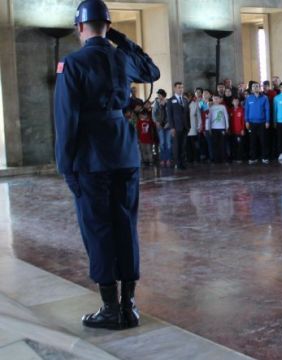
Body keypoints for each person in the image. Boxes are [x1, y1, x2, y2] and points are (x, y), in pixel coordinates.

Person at [54, 0, 159, 330]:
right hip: (125, 153)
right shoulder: (120, 56)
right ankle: (129, 306)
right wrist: (121, 37)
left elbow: (66, 119)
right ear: (106, 25)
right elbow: (152, 72)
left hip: (91, 157)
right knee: (125, 226)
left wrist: (65, 165)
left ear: (80, 27)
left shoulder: (72, 63)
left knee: (98, 229)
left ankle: (110, 308)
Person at [166, 82, 190, 169]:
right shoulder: (170, 100)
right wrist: (172, 127)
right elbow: (169, 115)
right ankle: (177, 163)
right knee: (176, 145)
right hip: (176, 127)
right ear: (175, 89)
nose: (181, 89)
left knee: (183, 145)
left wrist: (189, 126)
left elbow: (187, 114)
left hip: (185, 126)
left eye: (182, 87)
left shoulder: (185, 100)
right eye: (179, 87)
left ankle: (183, 163)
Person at [245, 82, 271, 164]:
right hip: (252, 123)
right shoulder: (249, 98)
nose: (255, 88)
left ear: (260, 88)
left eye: (257, 86)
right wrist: (246, 121)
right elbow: (246, 110)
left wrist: (267, 121)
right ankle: (253, 158)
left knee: (263, 141)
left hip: (262, 123)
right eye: (254, 86)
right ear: (251, 89)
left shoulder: (265, 98)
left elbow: (267, 110)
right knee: (252, 141)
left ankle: (264, 157)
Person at [207, 94, 229, 163]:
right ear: (212, 100)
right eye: (214, 98)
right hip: (213, 128)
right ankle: (216, 159)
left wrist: (227, 126)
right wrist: (209, 128)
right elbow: (209, 119)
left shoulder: (223, 107)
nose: (216, 100)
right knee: (215, 144)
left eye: (217, 98)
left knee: (222, 144)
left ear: (220, 99)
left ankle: (223, 158)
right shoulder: (211, 108)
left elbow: (226, 117)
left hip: (222, 127)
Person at [187, 88, 203, 164]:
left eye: (190, 96)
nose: (188, 98)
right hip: (186, 127)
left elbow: (199, 116)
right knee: (188, 145)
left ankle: (196, 158)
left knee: (195, 144)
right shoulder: (183, 104)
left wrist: (199, 125)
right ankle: (189, 159)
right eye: (187, 97)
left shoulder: (195, 104)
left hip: (193, 126)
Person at [229, 97, 247, 163]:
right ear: (232, 102)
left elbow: (243, 120)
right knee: (234, 145)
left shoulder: (242, 109)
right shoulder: (230, 110)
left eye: (237, 101)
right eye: (234, 101)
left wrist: (243, 129)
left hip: (239, 131)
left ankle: (240, 158)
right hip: (232, 130)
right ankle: (234, 157)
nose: (235, 102)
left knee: (240, 145)